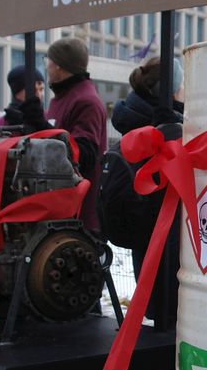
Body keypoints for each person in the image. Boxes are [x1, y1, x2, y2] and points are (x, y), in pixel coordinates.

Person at [104, 55, 185, 330]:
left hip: (141, 233)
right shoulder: (166, 129)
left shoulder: (131, 119)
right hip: (167, 235)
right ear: (172, 90)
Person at [44, 36, 106, 231]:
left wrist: (41, 128)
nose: (46, 67)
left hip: (79, 217)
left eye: (49, 61)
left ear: (60, 67)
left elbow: (84, 155)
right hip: (61, 210)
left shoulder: (86, 101)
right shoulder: (63, 97)